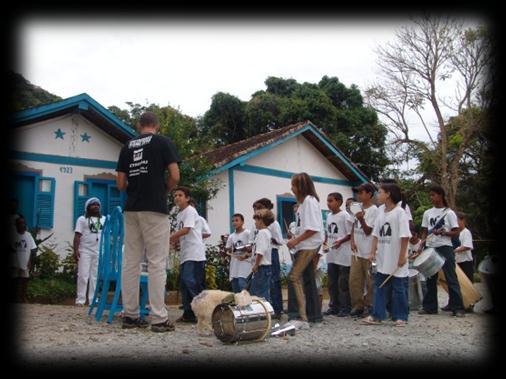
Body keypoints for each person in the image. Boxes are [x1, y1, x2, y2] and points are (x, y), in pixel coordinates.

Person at [116, 111, 181, 332]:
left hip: (132, 209)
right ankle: (158, 318)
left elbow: (120, 183)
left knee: (130, 261)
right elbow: (175, 175)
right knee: (156, 262)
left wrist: (135, 187)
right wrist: (164, 190)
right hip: (155, 208)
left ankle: (131, 316)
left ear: (139, 125)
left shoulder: (128, 146)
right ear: (157, 125)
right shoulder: (163, 142)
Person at [363, 183, 410, 327]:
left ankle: (400, 316)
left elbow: (405, 236)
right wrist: (372, 252)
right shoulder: (380, 211)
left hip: (396, 258)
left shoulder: (400, 212)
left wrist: (402, 257)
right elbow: (376, 234)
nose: (378, 195)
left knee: (398, 289)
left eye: (380, 192)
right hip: (383, 258)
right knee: (379, 287)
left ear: (388, 194)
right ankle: (377, 314)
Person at [418, 185, 465, 317]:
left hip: (445, 246)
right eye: (430, 195)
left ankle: (457, 307)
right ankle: (430, 307)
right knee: (430, 277)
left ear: (440, 195)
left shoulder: (449, 213)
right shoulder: (427, 213)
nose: (431, 197)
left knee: (451, 277)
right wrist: (422, 243)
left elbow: (456, 232)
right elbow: (424, 231)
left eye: (433, 195)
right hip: (430, 246)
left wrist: (444, 233)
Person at [286, 173, 324, 330]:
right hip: (305, 245)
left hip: (309, 245)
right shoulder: (303, 204)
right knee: (308, 280)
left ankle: (298, 317)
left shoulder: (309, 201)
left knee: (293, 277)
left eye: (294, 185)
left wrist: (296, 240)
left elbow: (313, 229)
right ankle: (314, 316)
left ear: (301, 186)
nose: (291, 188)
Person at [170, 186, 206, 323]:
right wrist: (177, 242)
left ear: (187, 198)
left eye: (180, 195)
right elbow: (184, 233)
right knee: (184, 284)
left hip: (194, 253)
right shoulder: (180, 214)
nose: (177, 197)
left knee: (191, 281)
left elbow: (186, 229)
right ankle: (188, 313)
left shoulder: (190, 210)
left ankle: (203, 311)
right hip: (186, 253)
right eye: (175, 195)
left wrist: (171, 238)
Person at [251, 198, 284, 319]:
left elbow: (278, 241)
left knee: (271, 284)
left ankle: (274, 310)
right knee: (262, 288)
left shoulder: (270, 227)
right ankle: (264, 312)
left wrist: (256, 264)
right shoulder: (260, 230)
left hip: (269, 255)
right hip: (262, 258)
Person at [349, 183, 378, 318]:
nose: (358, 195)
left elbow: (368, 231)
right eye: (358, 193)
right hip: (357, 250)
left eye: (361, 192)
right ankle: (358, 305)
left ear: (369, 194)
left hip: (368, 251)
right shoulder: (357, 207)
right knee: (354, 279)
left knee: (370, 281)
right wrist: (352, 241)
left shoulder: (374, 210)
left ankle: (370, 305)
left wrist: (361, 218)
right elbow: (353, 226)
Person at [324, 192, 353, 317]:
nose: (328, 203)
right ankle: (334, 305)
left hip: (343, 254)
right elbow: (327, 232)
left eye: (331, 201)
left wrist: (340, 241)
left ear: (339, 202)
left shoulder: (345, 216)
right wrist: (325, 243)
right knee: (332, 282)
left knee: (343, 282)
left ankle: (345, 307)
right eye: (328, 201)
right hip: (331, 254)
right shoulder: (329, 216)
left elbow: (350, 233)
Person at [73, 197, 106, 307]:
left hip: (98, 252)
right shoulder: (82, 219)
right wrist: (75, 250)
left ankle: (93, 300)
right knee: (83, 275)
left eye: (98, 204)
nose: (96, 206)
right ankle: (80, 300)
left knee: (95, 276)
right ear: (87, 207)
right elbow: (77, 235)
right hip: (85, 251)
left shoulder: (104, 219)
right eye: (93, 204)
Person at [450, 212, 475, 313]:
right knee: (458, 284)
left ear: (462, 220)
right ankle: (458, 303)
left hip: (466, 261)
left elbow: (467, 246)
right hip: (457, 261)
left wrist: (454, 250)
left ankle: (470, 304)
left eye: (457, 221)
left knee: (467, 283)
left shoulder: (466, 232)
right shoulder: (456, 233)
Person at [10, 216, 37, 303]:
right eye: (20, 223)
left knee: (25, 280)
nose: (23, 225)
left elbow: (33, 249)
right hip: (15, 262)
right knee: (15, 280)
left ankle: (23, 297)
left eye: (24, 223)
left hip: (25, 261)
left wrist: (30, 262)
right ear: (16, 225)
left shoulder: (28, 235)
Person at [249, 209, 274, 302]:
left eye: (256, 220)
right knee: (263, 293)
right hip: (265, 268)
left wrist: (256, 265)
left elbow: (260, 251)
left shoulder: (262, 233)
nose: (255, 223)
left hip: (261, 268)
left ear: (261, 220)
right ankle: (266, 314)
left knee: (257, 295)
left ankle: (262, 314)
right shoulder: (266, 232)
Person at [225, 214, 252, 293]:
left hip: (245, 268)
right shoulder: (231, 236)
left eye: (237, 220)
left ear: (242, 222)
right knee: (236, 292)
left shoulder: (248, 233)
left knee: (243, 290)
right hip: (234, 268)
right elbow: (228, 249)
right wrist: (231, 250)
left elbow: (252, 247)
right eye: (233, 221)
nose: (234, 222)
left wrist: (245, 253)